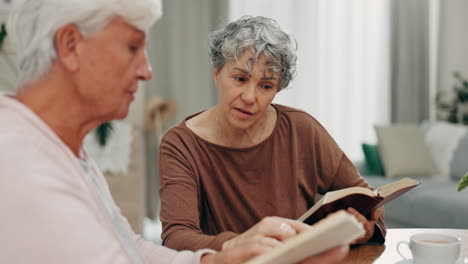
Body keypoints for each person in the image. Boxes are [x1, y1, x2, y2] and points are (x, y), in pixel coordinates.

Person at [0, 1, 349, 264]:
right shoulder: (18, 162)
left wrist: (221, 258)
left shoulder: (65, 151)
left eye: (266, 85)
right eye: (133, 47)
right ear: (71, 45)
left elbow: (131, 248)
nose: (147, 70)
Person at [159, 15, 386, 252]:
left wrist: (366, 227)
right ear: (217, 73)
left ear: (278, 88)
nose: (249, 97)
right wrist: (243, 245)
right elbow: (177, 238)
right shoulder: (180, 144)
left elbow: (367, 197)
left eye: (265, 86)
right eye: (240, 79)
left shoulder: (302, 129)